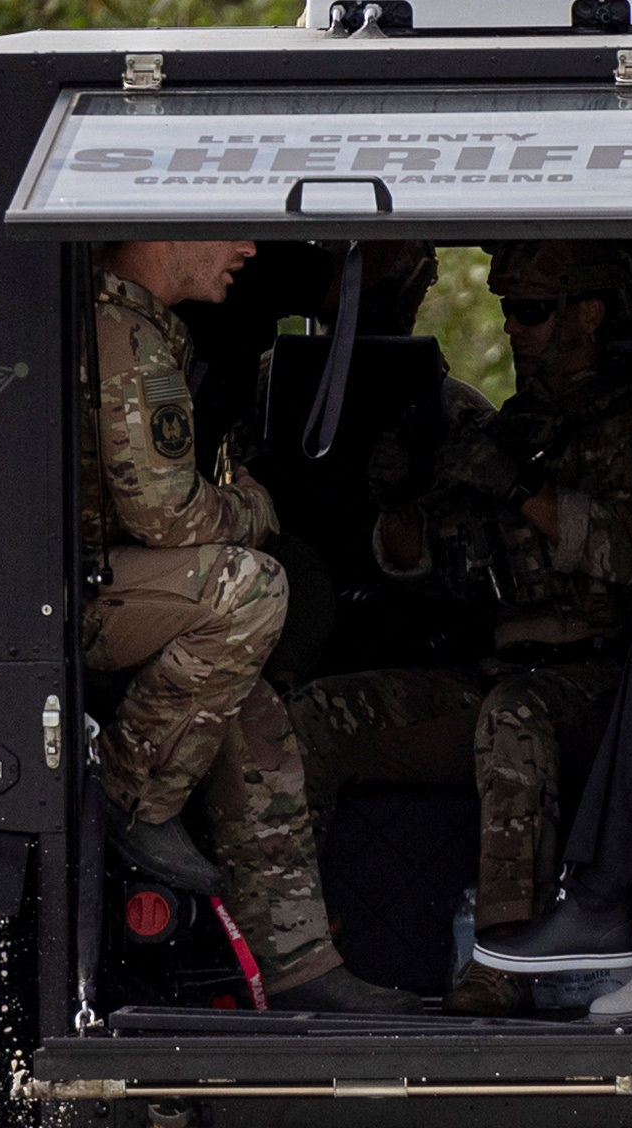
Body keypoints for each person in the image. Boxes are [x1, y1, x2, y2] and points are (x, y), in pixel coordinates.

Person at [294, 239, 632, 1009]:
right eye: (509, 311)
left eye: (533, 312)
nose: (514, 328)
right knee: (313, 719)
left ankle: (503, 963)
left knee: (515, 718)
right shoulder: (508, 428)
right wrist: (399, 502)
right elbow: (431, 563)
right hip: (499, 673)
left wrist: (521, 494)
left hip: (607, 688)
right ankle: (303, 953)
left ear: (590, 313)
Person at [84, 236, 418, 1014]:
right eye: (230, 221)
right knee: (251, 589)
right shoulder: (124, 331)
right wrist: (252, 509)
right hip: (79, 599)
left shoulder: (135, 325)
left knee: (252, 709)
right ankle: (134, 798)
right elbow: (165, 513)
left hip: (103, 582)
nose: (248, 246)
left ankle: (302, 962)